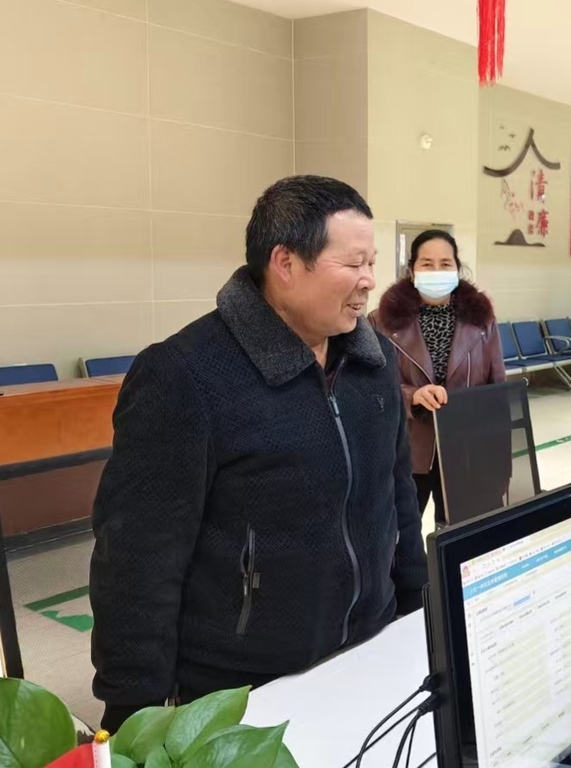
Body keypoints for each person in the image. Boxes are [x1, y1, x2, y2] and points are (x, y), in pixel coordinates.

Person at [89, 176, 427, 732]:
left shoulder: (374, 362)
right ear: (286, 263)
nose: (370, 280)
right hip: (244, 687)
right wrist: (133, 713)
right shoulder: (186, 375)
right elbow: (137, 559)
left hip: (372, 650)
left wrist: (417, 609)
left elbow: (397, 495)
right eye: (353, 263)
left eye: (372, 262)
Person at [369, 230, 504, 525]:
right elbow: (371, 387)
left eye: (445, 264)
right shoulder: (381, 321)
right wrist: (412, 396)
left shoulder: (482, 321)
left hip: (465, 446)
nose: (436, 271)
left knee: (460, 532)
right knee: (399, 533)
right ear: (411, 270)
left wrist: (498, 456)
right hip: (406, 448)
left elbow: (497, 389)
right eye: (427, 264)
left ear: (457, 268)